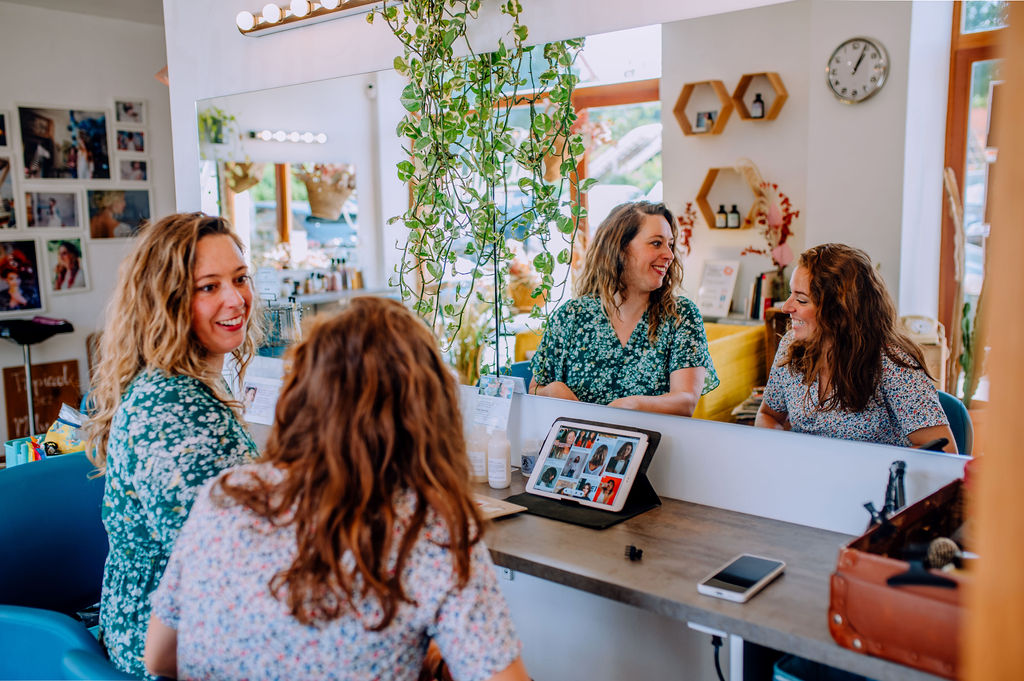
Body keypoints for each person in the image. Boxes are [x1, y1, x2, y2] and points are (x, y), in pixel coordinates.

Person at [144, 298, 528, 681]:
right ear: (427, 414)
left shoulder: (224, 495)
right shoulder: (429, 533)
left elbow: (159, 658)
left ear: (299, 394)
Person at [85, 213, 262, 677]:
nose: (235, 299)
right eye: (209, 286)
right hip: (165, 645)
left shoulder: (189, 389)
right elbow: (223, 568)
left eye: (240, 279)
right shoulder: (167, 410)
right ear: (168, 300)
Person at [755, 244, 956, 452]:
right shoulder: (791, 345)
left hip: (873, 483)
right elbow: (768, 415)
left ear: (840, 311)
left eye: (801, 299)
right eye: (791, 293)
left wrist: (865, 468)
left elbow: (944, 452)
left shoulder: (893, 363)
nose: (786, 307)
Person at [530, 201, 718, 417]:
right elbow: (535, 388)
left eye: (670, 244)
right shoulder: (571, 315)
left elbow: (685, 401)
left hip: (655, 446)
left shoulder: (681, 315)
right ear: (619, 248)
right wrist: (551, 391)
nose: (669, 255)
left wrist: (631, 407)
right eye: (656, 243)